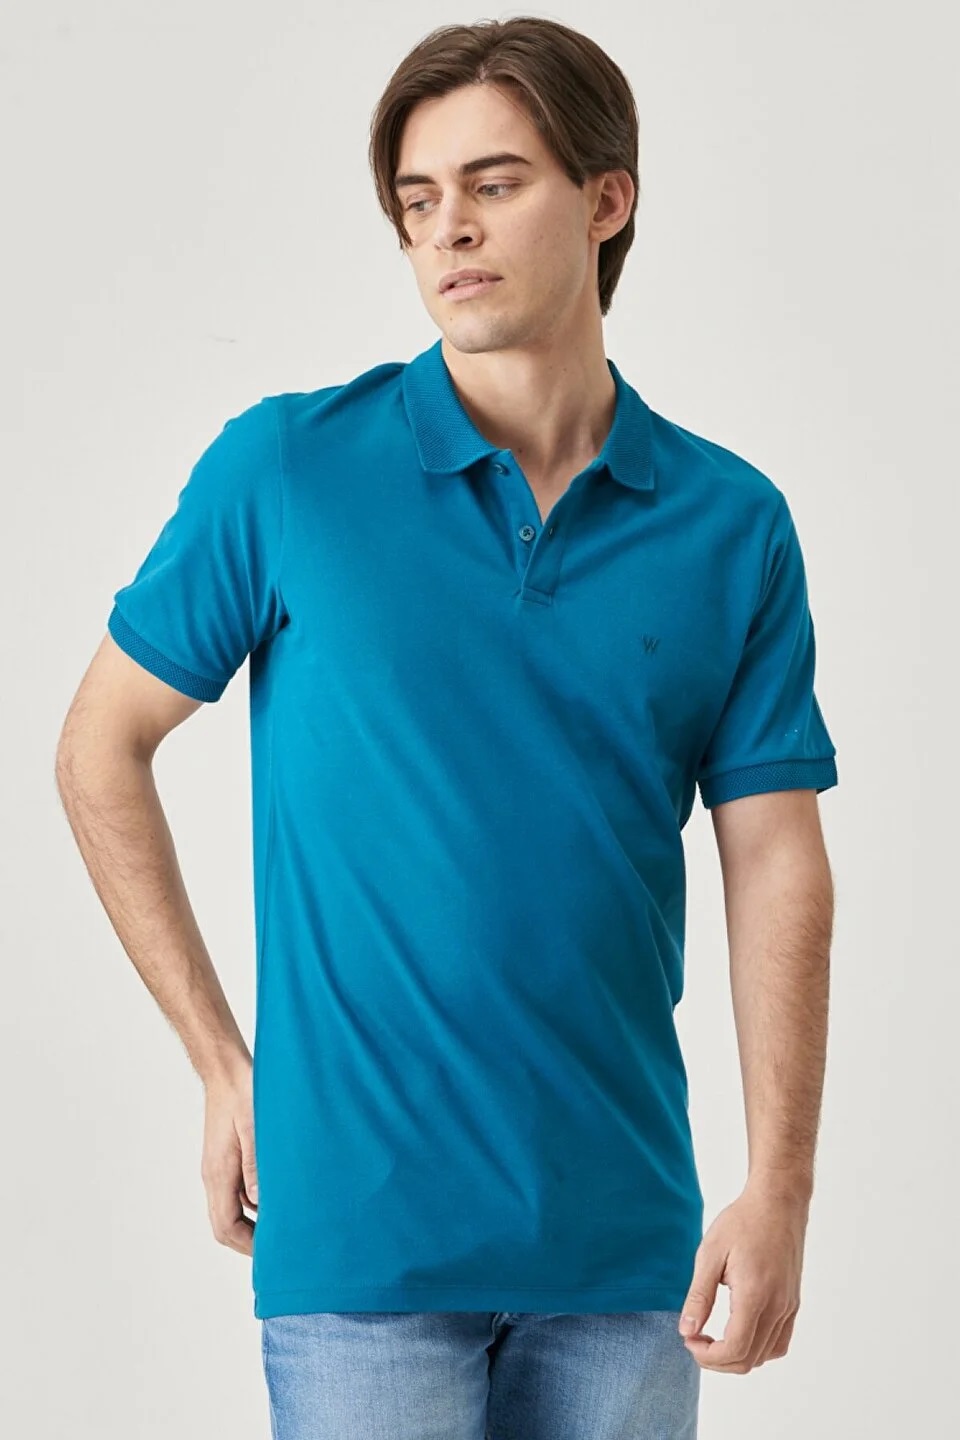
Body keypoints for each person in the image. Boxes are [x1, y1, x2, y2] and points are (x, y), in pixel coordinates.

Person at [54, 16, 838, 1440]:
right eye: (418, 202)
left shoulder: (732, 526)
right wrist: (221, 1061)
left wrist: (779, 1188)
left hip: (625, 1256)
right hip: (359, 1246)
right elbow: (100, 743)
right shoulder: (287, 470)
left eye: (494, 183)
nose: (447, 231)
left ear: (608, 200)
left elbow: (777, 857)